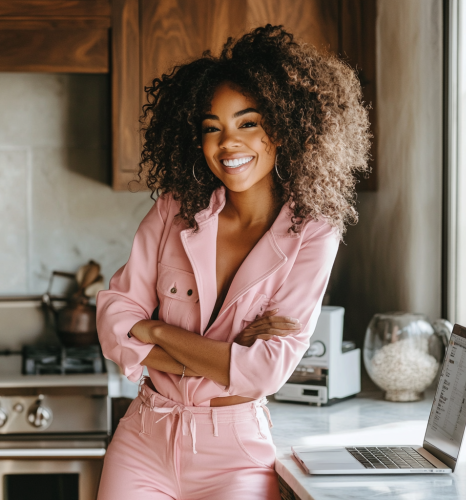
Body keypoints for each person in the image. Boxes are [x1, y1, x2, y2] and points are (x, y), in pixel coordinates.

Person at [96, 24, 370, 500]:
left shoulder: (314, 232)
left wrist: (157, 331)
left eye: (248, 123)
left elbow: (265, 371)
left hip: (235, 454)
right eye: (212, 128)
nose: (228, 143)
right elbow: (113, 320)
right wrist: (222, 358)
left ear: (283, 127)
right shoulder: (173, 211)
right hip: (143, 439)